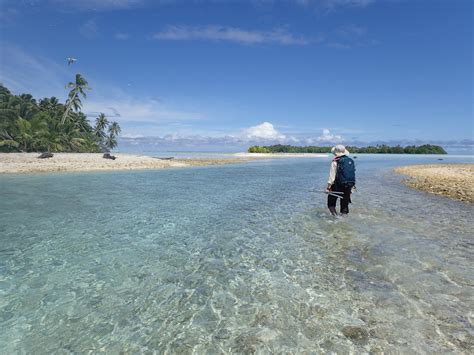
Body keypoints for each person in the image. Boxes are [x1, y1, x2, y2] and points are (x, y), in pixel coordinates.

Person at [326, 144, 356, 216]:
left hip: (337, 185)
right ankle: (344, 219)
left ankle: (335, 218)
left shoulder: (335, 161)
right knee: (344, 205)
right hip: (348, 185)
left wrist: (328, 187)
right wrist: (352, 187)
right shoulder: (350, 160)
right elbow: (352, 174)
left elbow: (332, 176)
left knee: (331, 203)